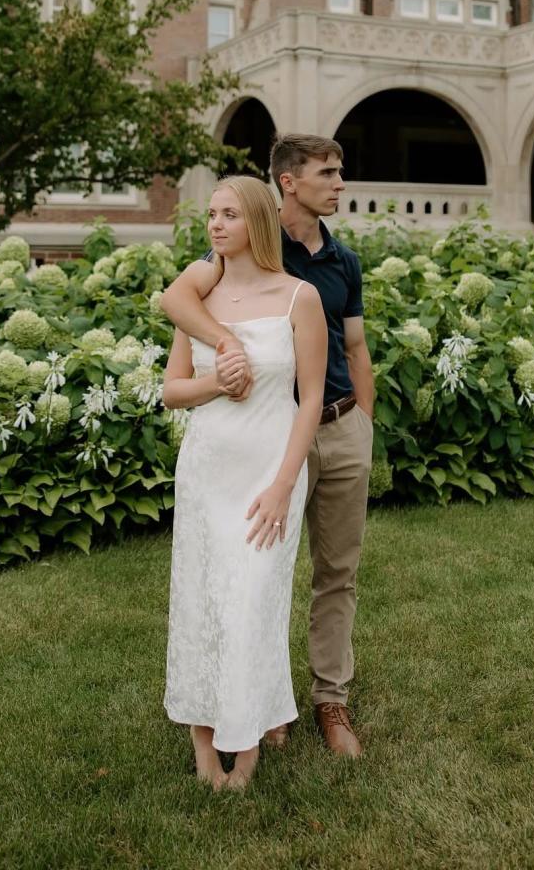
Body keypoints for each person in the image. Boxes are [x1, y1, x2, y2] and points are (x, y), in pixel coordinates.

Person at [161, 134, 374, 758]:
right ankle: (264, 704)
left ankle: (330, 700)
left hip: (337, 424)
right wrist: (227, 347)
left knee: (336, 574)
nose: (339, 184)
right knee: (258, 576)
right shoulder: (243, 239)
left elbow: (355, 347)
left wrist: (364, 423)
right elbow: (179, 300)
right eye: (327, 173)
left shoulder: (342, 262)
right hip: (265, 436)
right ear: (288, 182)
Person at [162, 175, 327, 791]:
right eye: (211, 214)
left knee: (254, 601)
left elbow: (310, 400)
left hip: (269, 472)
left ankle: (247, 745)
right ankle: (204, 745)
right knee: (203, 602)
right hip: (207, 471)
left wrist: (284, 485)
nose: (215, 224)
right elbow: (172, 391)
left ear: (257, 220)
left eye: (229, 214)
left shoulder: (299, 298)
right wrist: (217, 382)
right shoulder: (199, 301)